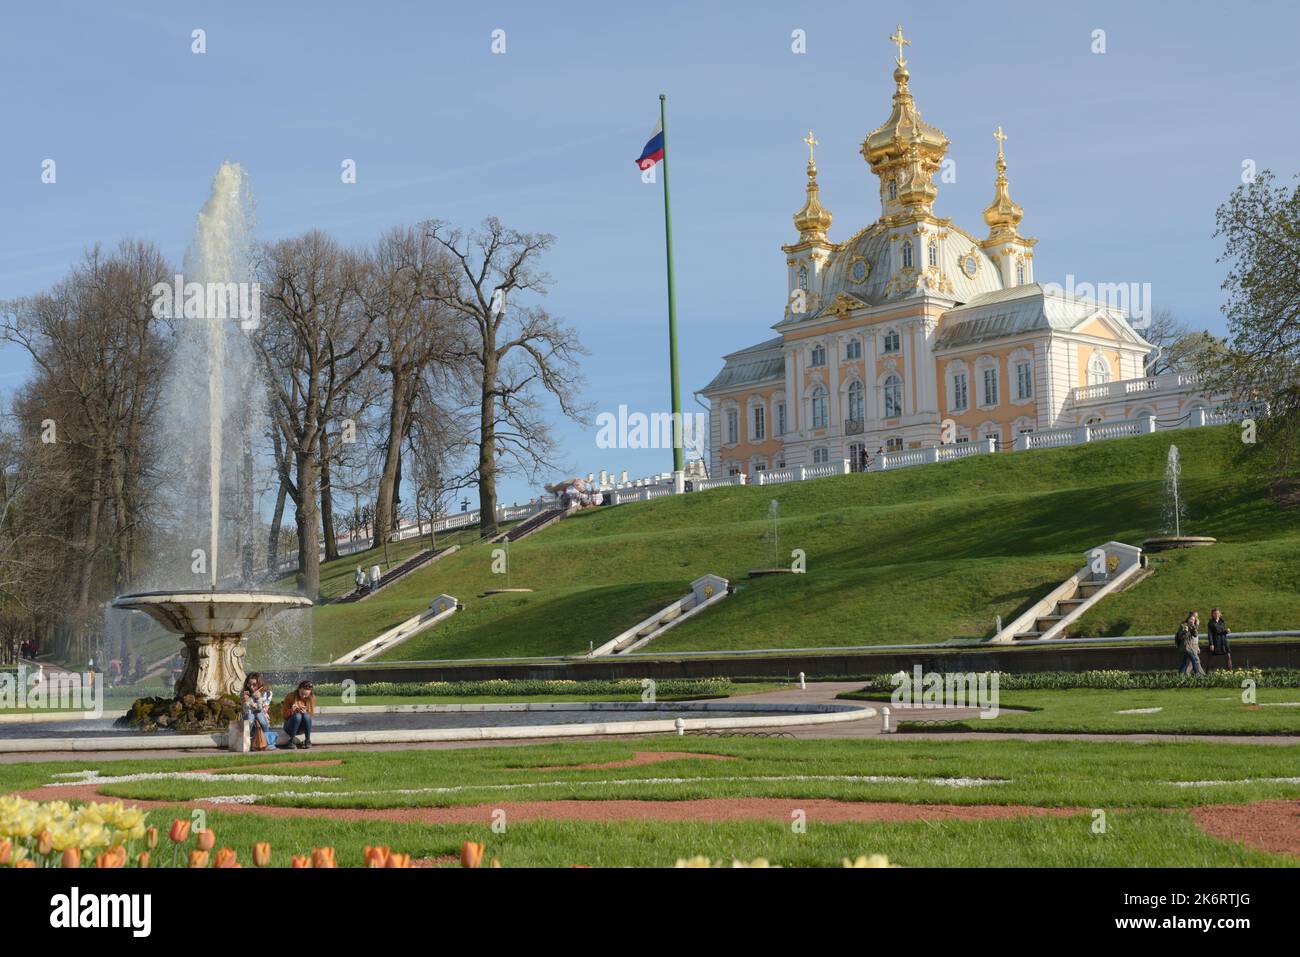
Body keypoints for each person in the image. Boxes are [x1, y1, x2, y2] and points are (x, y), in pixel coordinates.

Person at [240, 673, 275, 750]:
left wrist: (259, 699)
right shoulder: (245, 693)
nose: (251, 687)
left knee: (258, 714)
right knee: (251, 715)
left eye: (254, 684)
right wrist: (247, 700)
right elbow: (246, 709)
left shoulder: (267, 693)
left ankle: (268, 742)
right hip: (248, 719)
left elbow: (263, 709)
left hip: (262, 719)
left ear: (259, 684)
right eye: (249, 684)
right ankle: (247, 743)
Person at [281, 680, 317, 749]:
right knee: (297, 716)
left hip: (302, 728)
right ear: (299, 689)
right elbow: (284, 716)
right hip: (289, 727)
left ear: (310, 693)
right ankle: (291, 741)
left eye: (306, 695)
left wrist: (306, 712)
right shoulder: (290, 696)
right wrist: (292, 710)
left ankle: (307, 740)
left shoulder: (312, 698)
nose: (303, 696)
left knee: (306, 716)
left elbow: (311, 715)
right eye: (302, 693)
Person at [1175, 610, 1203, 675]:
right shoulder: (1183, 626)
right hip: (1185, 647)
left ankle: (1180, 674)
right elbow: (1180, 637)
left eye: (1193, 620)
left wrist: (1193, 626)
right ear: (1188, 619)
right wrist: (1185, 631)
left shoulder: (1192, 626)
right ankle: (1197, 674)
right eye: (1191, 619)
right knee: (1194, 660)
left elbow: (1195, 635)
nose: (1192, 621)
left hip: (1190, 647)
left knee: (1185, 662)